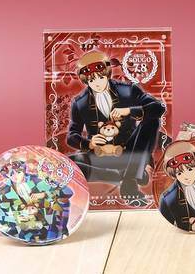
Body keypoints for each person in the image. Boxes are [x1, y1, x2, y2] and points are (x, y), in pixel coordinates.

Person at [67, 50, 168, 200]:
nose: (97, 83)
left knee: (152, 119)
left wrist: (129, 110)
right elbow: (71, 136)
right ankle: (126, 175)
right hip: (100, 155)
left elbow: (159, 108)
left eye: (101, 77)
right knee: (68, 164)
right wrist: (89, 143)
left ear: (107, 73)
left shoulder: (128, 90)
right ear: (85, 80)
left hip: (130, 153)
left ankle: (130, 180)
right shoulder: (79, 102)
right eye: (92, 80)